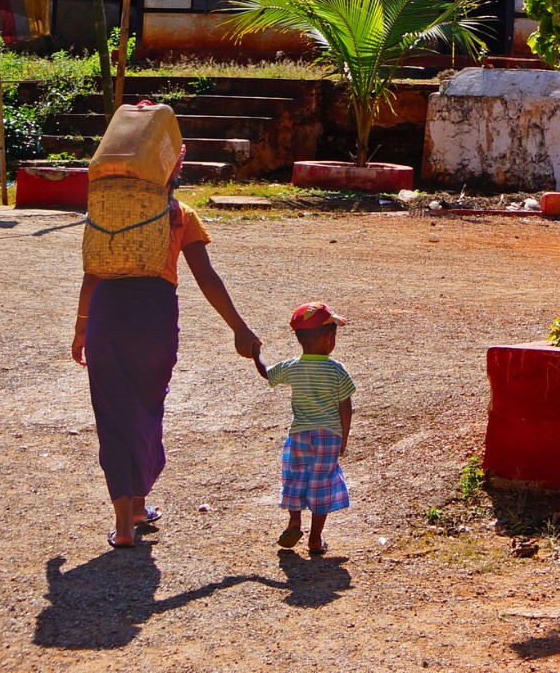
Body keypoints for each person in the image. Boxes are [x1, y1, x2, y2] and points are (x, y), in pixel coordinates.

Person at [71, 148, 261, 549]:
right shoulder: (180, 214)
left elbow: (92, 273)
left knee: (112, 414)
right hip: (153, 320)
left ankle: (126, 524)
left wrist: (81, 328)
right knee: (145, 406)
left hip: (107, 315)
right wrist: (239, 328)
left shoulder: (109, 214)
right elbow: (206, 277)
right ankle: (138, 506)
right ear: (172, 168)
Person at [257, 302, 355, 556]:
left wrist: (256, 354)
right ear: (328, 338)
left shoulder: (292, 366)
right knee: (321, 483)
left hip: (299, 434)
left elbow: (266, 374)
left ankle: (294, 522)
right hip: (328, 436)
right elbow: (346, 408)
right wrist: (344, 438)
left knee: (296, 478)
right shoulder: (336, 370)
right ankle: (315, 538)